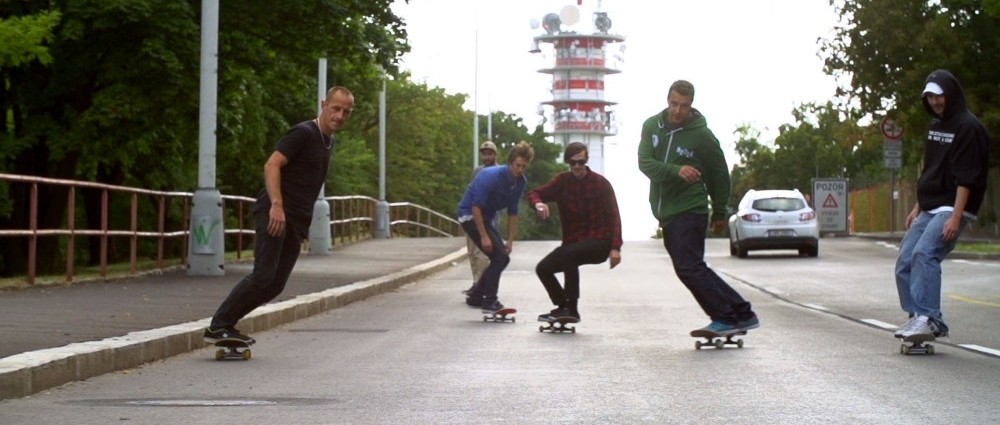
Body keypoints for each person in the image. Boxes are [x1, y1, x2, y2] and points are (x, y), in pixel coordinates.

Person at [203, 87, 355, 344]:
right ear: (324, 105)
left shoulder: (328, 141)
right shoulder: (304, 133)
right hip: (275, 213)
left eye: (346, 112)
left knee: (275, 284)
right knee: (263, 275)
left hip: (296, 221)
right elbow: (272, 164)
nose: (340, 116)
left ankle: (226, 325)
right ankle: (219, 325)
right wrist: (276, 204)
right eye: (336, 109)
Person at [637, 79, 759, 335]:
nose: (677, 111)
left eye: (684, 106)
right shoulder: (652, 126)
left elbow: (719, 174)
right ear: (667, 100)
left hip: (691, 208)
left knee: (689, 267)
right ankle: (742, 313)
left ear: (691, 105)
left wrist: (720, 211)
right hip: (666, 212)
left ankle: (725, 317)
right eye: (674, 104)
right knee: (691, 267)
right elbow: (645, 163)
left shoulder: (702, 136)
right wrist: (676, 170)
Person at [894, 69, 990, 339]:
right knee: (905, 260)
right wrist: (918, 206)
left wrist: (956, 216)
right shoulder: (935, 127)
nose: (935, 102)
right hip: (931, 205)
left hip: (954, 205)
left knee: (925, 254)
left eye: (939, 96)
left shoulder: (968, 127)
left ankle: (930, 318)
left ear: (951, 94)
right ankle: (917, 317)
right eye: (930, 97)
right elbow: (931, 171)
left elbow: (967, 177)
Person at [529, 142, 623, 322]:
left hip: (599, 243)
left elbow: (614, 217)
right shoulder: (562, 182)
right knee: (543, 268)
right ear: (568, 162)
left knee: (569, 254)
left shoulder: (601, 184)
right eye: (573, 163)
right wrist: (538, 204)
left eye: (581, 162)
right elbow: (534, 193)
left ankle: (572, 309)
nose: (577, 167)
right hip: (573, 243)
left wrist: (615, 248)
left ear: (587, 161)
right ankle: (562, 305)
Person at [457, 140, 534, 314]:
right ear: (510, 163)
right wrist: (484, 236)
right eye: (517, 165)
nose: (520, 170)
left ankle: (476, 296)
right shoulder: (491, 176)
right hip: (469, 214)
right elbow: (476, 207)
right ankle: (489, 300)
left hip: (486, 218)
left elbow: (513, 212)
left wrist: (510, 241)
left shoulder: (520, 182)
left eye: (523, 166)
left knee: (502, 257)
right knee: (499, 257)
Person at [461, 141, 499, 299]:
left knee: (482, 254)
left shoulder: (498, 172)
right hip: (471, 216)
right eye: (484, 154)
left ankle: (482, 287)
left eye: (490, 154)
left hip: (487, 217)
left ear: (495, 155)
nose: (487, 157)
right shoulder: (477, 171)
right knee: (472, 252)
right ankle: (477, 282)